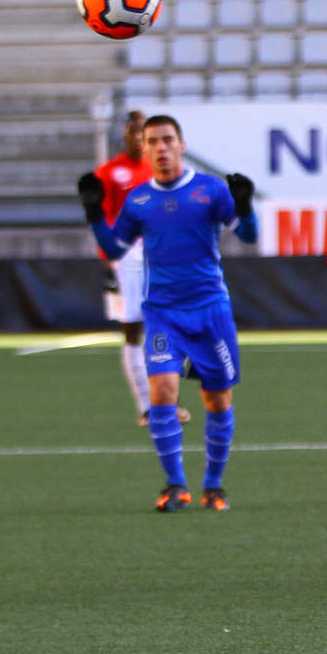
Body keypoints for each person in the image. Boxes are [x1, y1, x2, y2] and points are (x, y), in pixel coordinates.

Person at [86, 114, 258, 512]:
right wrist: (95, 216)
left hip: (210, 310)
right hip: (163, 313)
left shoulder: (210, 190)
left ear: (181, 145)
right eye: (153, 142)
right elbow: (114, 249)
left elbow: (248, 236)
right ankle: (175, 485)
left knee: (216, 398)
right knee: (162, 392)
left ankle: (213, 486)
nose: (161, 148)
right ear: (144, 150)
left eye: (167, 140)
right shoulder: (139, 200)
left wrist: (245, 208)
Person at [78, 111, 191, 428]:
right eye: (133, 132)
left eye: (143, 132)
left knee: (167, 326)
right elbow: (99, 216)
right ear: (126, 136)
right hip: (126, 255)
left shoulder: (161, 168)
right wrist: (107, 258)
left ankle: (166, 400)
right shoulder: (110, 172)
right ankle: (146, 405)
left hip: (162, 254)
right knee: (133, 329)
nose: (138, 138)